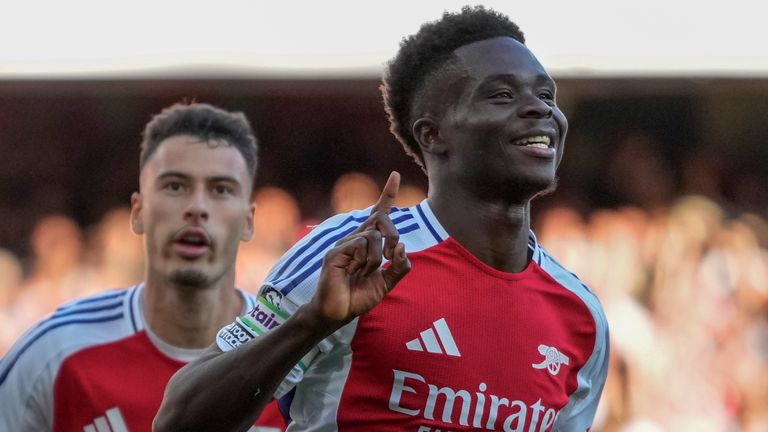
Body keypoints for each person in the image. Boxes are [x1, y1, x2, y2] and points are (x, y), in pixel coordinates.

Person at [155, 6, 609, 432]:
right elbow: (178, 419)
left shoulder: (582, 316)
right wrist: (311, 323)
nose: (540, 109)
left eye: (547, 94)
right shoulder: (358, 253)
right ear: (433, 134)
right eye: (502, 95)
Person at [0, 102, 286, 431]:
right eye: (175, 186)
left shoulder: (295, 359)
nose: (197, 208)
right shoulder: (55, 352)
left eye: (221, 190)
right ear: (137, 212)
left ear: (249, 221)